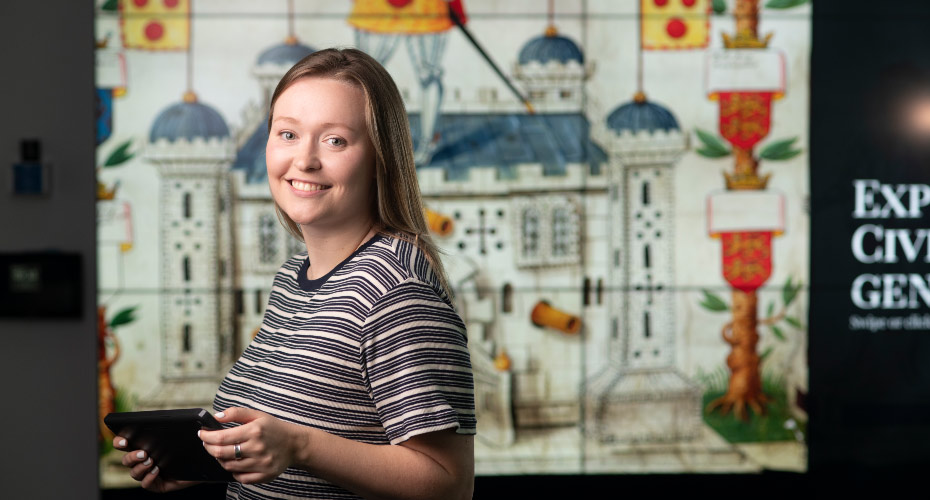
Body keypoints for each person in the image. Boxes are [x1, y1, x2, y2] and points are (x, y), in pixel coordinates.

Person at [114, 47, 476, 499]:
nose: (304, 160)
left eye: (335, 140)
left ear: (380, 158)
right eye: (287, 134)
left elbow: (449, 484)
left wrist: (299, 445)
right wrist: (200, 460)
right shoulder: (292, 278)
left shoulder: (396, 291)